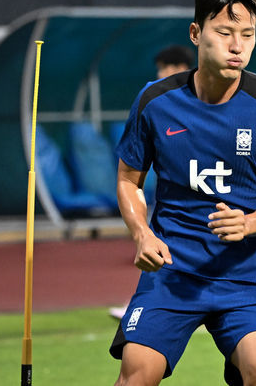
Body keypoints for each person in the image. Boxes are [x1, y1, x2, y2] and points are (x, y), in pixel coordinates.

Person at [110, 0, 256, 386]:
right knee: (136, 375)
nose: (238, 45)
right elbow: (129, 181)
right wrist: (141, 233)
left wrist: (249, 223)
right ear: (197, 33)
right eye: (225, 32)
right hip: (173, 271)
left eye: (248, 34)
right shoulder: (154, 101)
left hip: (249, 276)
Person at [108, 44, 196, 321]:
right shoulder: (156, 101)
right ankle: (146, 301)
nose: (158, 74)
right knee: (157, 241)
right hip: (170, 189)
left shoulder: (197, 100)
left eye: (162, 68)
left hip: (195, 194)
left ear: (177, 68)